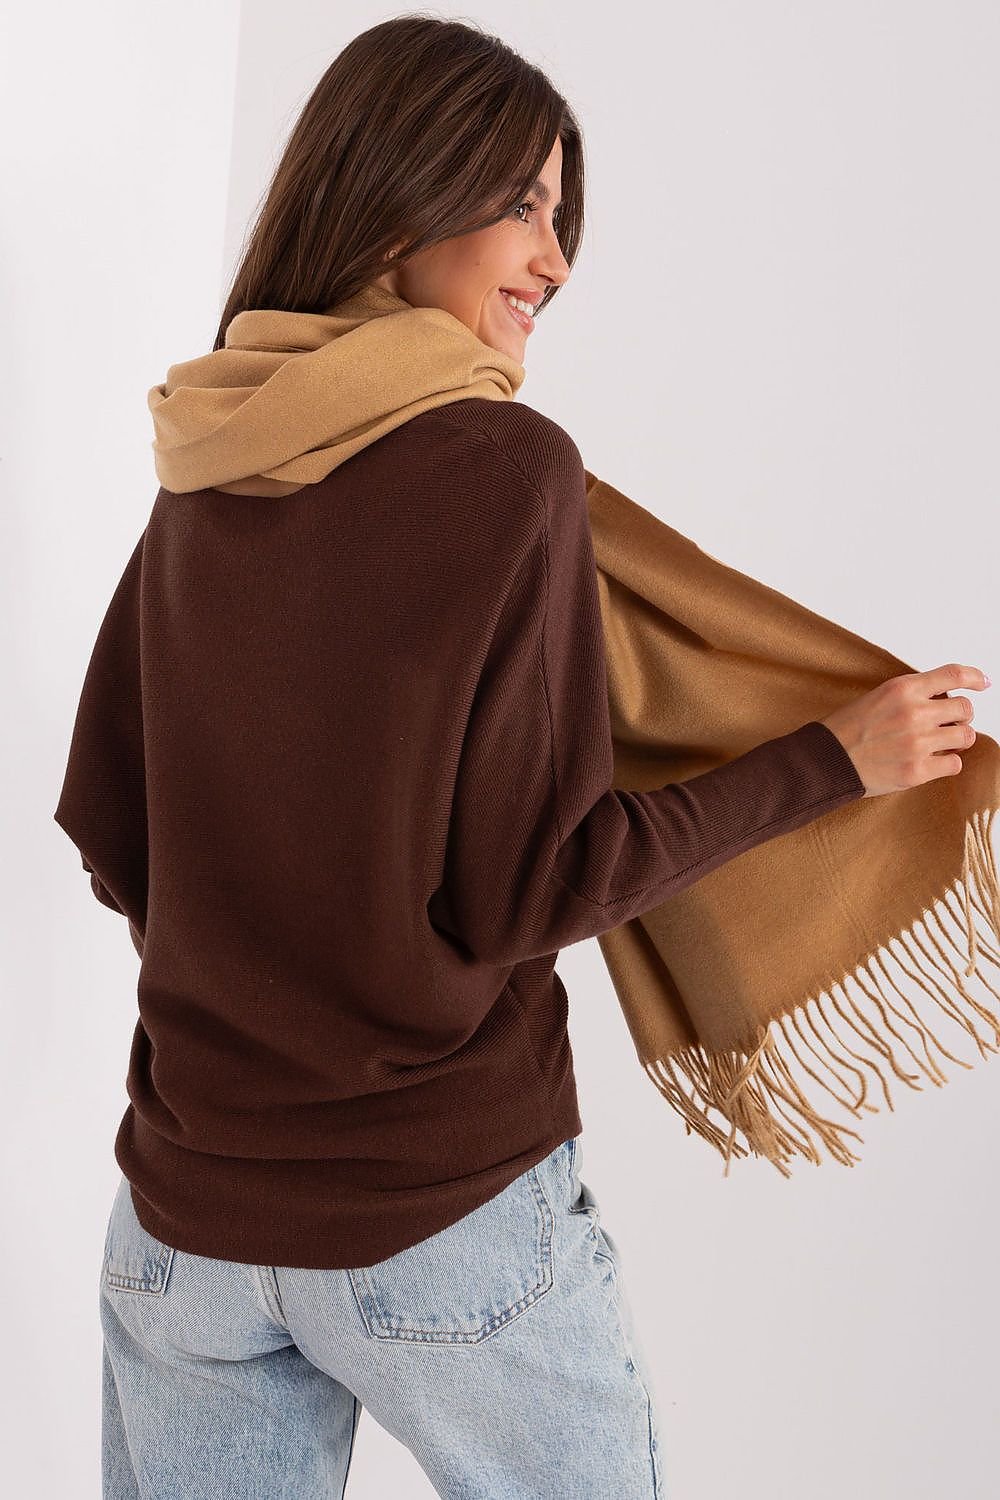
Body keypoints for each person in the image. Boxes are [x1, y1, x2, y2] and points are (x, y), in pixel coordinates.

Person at [56, 15, 986, 1499]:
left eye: (562, 217)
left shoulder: (209, 452)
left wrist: (269, 976)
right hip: (438, 1215)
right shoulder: (504, 468)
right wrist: (830, 761)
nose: (555, 259)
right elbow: (535, 886)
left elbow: (112, 823)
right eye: (524, 205)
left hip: (184, 1233)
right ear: (398, 198)